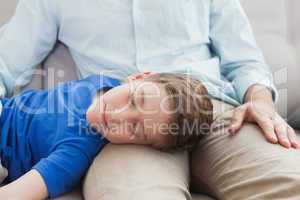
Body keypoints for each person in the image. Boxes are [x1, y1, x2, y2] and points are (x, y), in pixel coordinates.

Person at [1, 0, 300, 199]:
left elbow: (244, 59)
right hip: (121, 139)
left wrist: (261, 99)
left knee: (289, 178)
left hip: (220, 111)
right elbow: (5, 61)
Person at [0, 72, 213, 199]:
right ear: (138, 76)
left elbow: (14, 195)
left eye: (135, 128)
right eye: (133, 99)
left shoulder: (76, 152)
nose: (117, 115)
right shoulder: (101, 81)